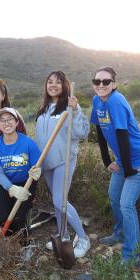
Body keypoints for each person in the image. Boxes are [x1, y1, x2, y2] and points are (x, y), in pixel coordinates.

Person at [90, 66, 140, 264]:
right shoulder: (97, 100)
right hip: (123, 159)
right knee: (113, 196)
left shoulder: (116, 101)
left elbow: (122, 135)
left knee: (127, 204)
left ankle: (131, 254)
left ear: (114, 84)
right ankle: (119, 233)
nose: (101, 85)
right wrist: (106, 160)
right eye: (97, 82)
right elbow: (100, 131)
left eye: (106, 82)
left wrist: (127, 168)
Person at [35, 71, 90, 258]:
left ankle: (83, 239)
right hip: (47, 161)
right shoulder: (43, 108)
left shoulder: (70, 105)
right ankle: (63, 235)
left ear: (64, 86)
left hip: (64, 159)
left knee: (60, 200)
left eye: (58, 82)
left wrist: (75, 111)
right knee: (56, 202)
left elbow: (81, 133)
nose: (53, 85)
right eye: (49, 82)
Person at [0, 107, 41, 237]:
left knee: (19, 219)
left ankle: (24, 241)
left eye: (10, 119)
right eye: (3, 120)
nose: (7, 123)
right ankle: (7, 243)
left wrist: (38, 171)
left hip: (26, 183)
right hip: (6, 184)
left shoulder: (29, 144)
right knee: (3, 218)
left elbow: (38, 166)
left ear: (17, 122)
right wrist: (10, 188)